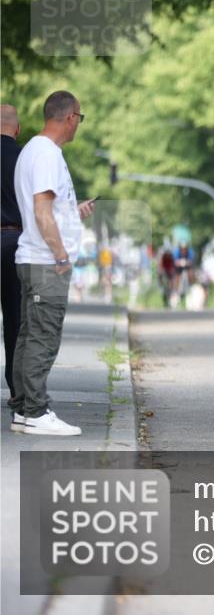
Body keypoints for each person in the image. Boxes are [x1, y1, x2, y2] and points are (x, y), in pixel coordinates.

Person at [9, 90, 95, 435]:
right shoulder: (46, 155)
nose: (78, 125)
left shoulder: (33, 150)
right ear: (71, 117)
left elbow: (45, 210)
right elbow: (42, 213)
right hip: (45, 262)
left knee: (28, 336)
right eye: (80, 118)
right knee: (43, 338)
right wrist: (60, 256)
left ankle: (22, 410)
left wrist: (72, 215)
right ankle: (35, 411)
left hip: (33, 258)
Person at [1, 104, 23, 409]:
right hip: (15, 241)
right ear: (17, 129)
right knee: (16, 320)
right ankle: (17, 391)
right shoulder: (23, 158)